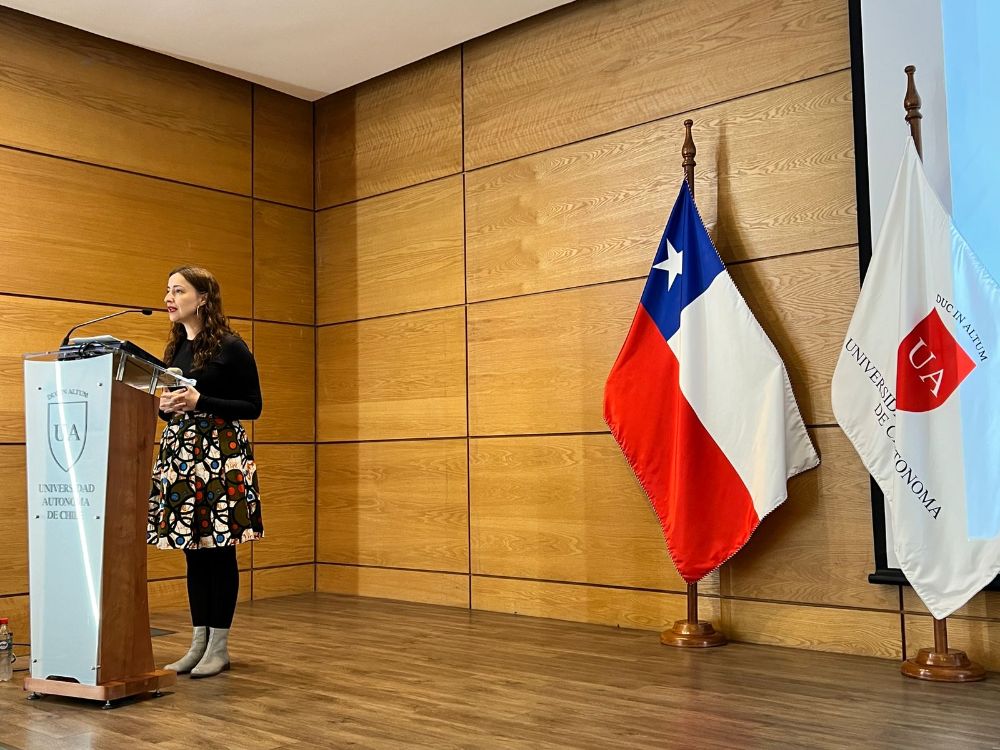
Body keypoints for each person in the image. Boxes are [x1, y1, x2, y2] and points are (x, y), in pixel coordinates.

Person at [147, 265, 263, 678]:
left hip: (219, 455)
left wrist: (201, 402)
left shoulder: (231, 347)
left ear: (202, 298)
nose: (169, 298)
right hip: (180, 456)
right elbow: (170, 406)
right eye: (167, 291)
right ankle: (197, 643)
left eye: (177, 291)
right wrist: (166, 407)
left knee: (219, 550)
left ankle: (219, 646)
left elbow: (253, 407)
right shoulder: (176, 348)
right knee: (193, 553)